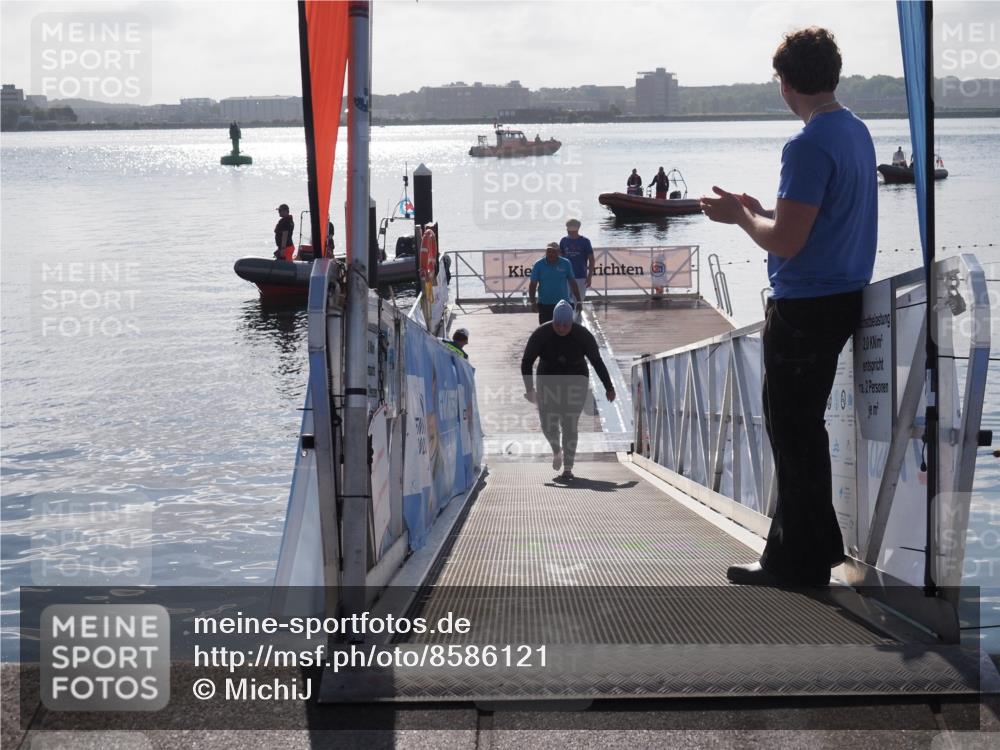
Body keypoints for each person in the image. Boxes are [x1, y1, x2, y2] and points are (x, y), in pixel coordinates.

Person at [700, 27, 876, 587]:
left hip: (804, 306)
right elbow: (815, 220)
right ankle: (815, 550)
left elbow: (786, 242)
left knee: (792, 432)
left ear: (785, 83)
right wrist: (762, 210)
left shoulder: (806, 144)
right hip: (843, 296)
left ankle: (794, 562)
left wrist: (741, 218)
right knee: (803, 430)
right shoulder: (856, 131)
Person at [521, 300, 616, 481]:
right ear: (553, 321)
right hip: (547, 380)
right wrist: (529, 389)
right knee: (548, 424)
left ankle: (568, 467)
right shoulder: (541, 334)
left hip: (576, 380)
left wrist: (609, 387)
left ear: (572, 322)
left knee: (569, 423)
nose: (562, 328)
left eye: (566, 325)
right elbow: (527, 361)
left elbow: (597, 361)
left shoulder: (582, 335)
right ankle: (557, 450)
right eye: (558, 324)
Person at [528, 242, 582, 325]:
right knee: (545, 330)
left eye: (553, 251)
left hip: (563, 304)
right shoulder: (538, 265)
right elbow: (532, 285)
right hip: (544, 304)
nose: (551, 254)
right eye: (548, 251)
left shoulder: (566, 263)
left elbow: (573, 282)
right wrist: (532, 302)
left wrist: (578, 301)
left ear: (558, 252)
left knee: (564, 328)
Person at [559, 218, 595, 314]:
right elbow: (560, 259)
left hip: (580, 276)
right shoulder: (563, 241)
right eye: (568, 228)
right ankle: (567, 319)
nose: (568, 230)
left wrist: (589, 277)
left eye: (570, 228)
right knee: (565, 302)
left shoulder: (585, 241)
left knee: (578, 302)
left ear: (577, 229)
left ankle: (578, 319)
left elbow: (591, 260)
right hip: (566, 277)